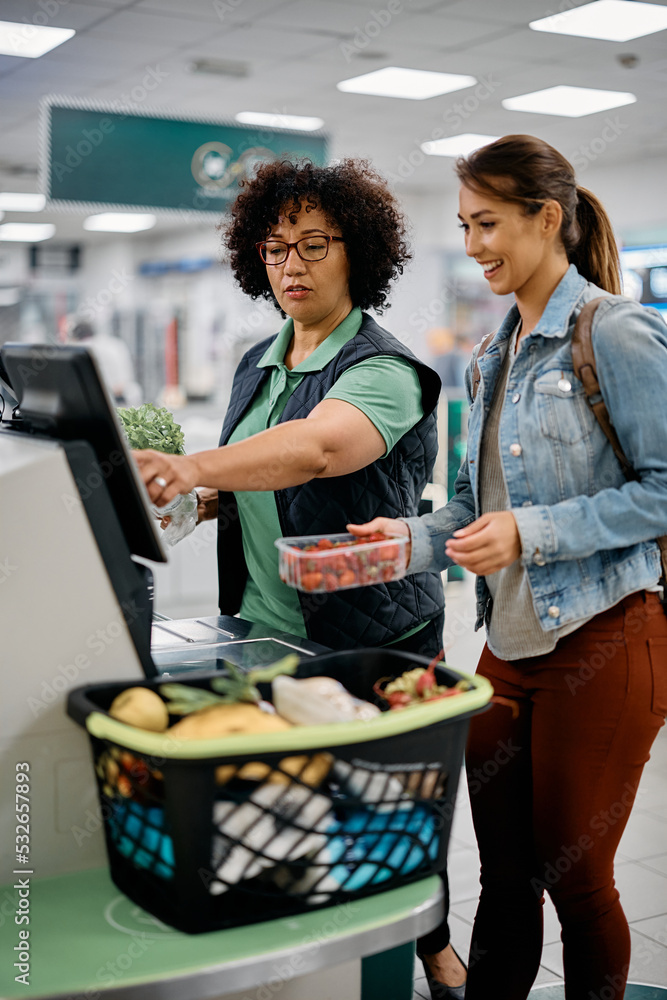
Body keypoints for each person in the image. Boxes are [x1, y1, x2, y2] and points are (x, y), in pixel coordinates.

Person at [134, 158, 467, 996]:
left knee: (385, 815)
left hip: (369, 635)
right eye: (275, 247)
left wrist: (193, 462)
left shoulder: (385, 367)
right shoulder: (258, 359)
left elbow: (321, 449)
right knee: (290, 814)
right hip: (262, 627)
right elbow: (256, 477)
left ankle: (429, 950)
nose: (292, 264)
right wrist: (204, 499)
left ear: (358, 253)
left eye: (314, 244)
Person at [349, 134, 667, 999]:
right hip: (508, 648)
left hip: (604, 639)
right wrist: (399, 542)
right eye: (463, 225)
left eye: (487, 223)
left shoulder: (617, 333)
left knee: (577, 877)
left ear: (547, 219)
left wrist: (531, 532)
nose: (473, 244)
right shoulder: (494, 353)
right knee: (502, 875)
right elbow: (467, 504)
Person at [68, 320, 141, 406]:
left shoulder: (83, 347)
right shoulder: (114, 342)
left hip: (110, 397)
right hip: (127, 395)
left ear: (75, 337)